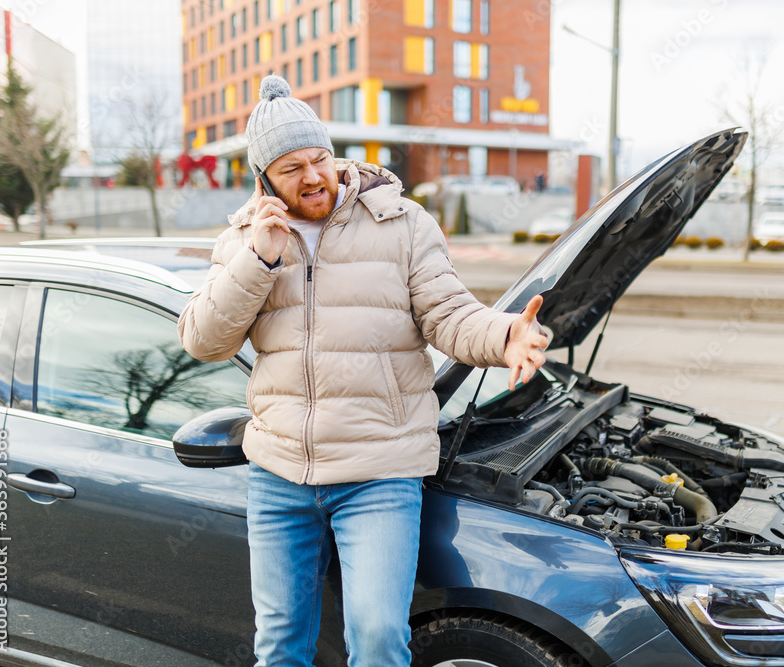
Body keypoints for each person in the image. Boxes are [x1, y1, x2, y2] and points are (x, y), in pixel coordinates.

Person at [177, 75, 549, 666]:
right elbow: (203, 340)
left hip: (378, 472)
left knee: (377, 636)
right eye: (292, 168)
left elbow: (449, 315)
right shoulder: (244, 241)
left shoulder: (401, 224)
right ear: (265, 179)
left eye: (319, 158)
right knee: (280, 645)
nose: (313, 177)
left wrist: (505, 335)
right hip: (279, 475)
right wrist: (259, 258)